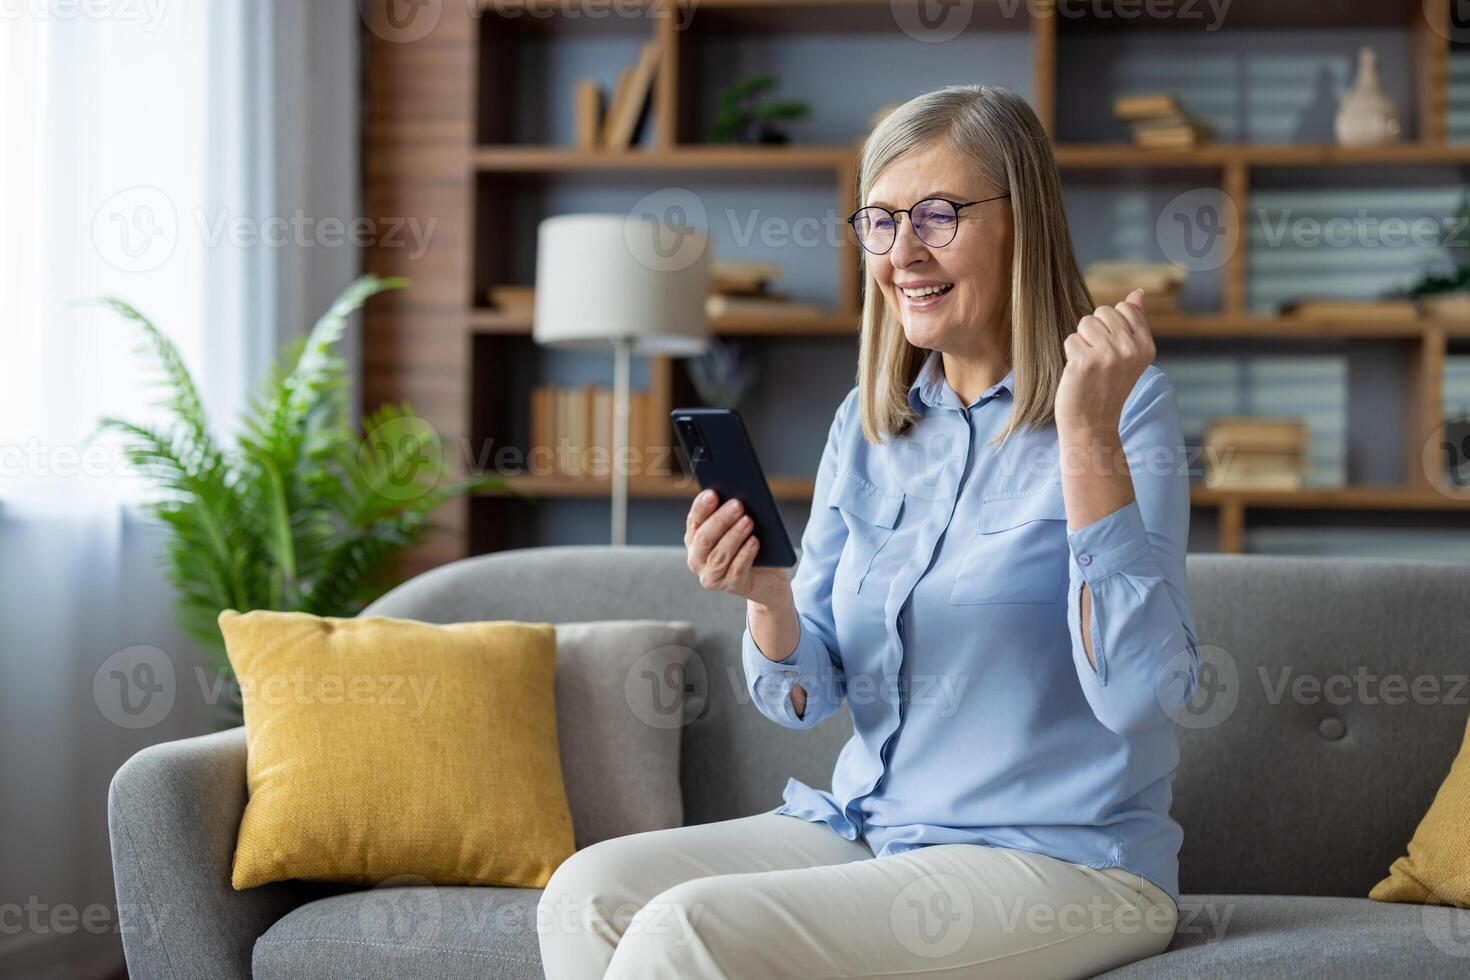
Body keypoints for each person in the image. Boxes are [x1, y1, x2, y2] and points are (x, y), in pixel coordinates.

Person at [537, 83, 1200, 980]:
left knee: (683, 935)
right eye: (879, 222)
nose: (902, 253)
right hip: (873, 829)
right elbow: (807, 690)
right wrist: (767, 597)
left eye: (937, 214)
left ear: (1027, 220)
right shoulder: (873, 421)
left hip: (1061, 862)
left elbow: (1140, 695)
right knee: (588, 892)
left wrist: (1084, 435)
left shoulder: (1126, 412)